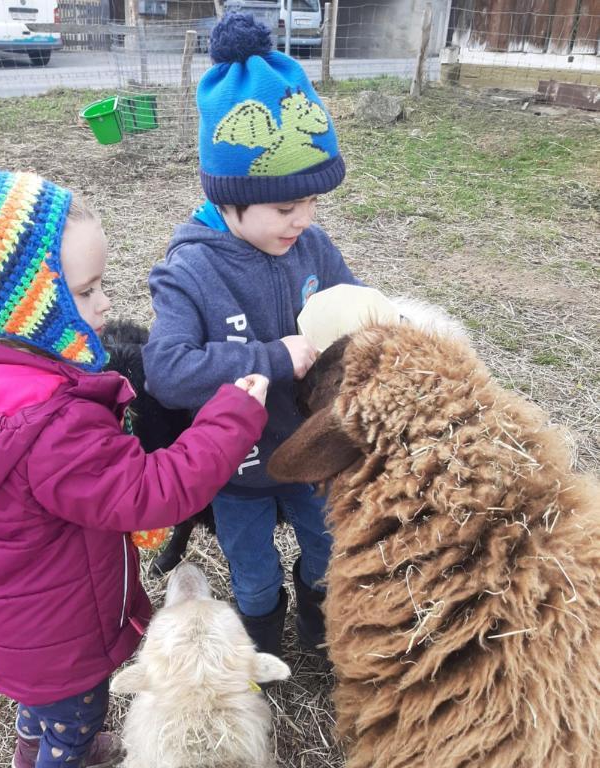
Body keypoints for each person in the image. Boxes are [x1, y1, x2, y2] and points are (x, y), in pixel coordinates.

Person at [0, 168, 269, 768]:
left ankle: (32, 746)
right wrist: (234, 413)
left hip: (9, 615)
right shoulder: (51, 424)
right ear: (23, 308)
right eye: (84, 292)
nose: (107, 304)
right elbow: (152, 492)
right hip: (61, 627)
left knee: (43, 703)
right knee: (75, 721)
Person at [143, 13, 360, 658]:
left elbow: (353, 305)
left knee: (326, 547)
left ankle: (322, 632)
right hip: (234, 469)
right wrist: (274, 356)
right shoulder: (191, 268)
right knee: (251, 567)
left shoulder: (312, 246)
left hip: (310, 450)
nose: (304, 220)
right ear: (230, 200)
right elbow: (167, 369)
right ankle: (262, 640)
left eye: (312, 202)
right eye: (285, 208)